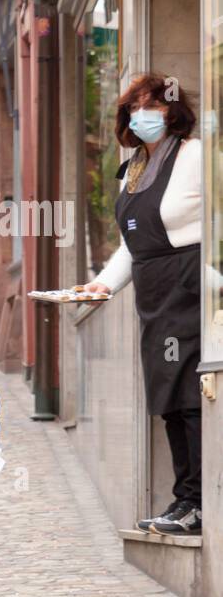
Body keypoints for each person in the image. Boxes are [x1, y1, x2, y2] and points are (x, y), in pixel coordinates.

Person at [75, 73, 203, 535]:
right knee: (169, 398)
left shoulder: (197, 156)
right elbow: (134, 244)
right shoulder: (134, 168)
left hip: (190, 288)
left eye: (153, 105)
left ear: (174, 112)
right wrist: (103, 285)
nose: (142, 115)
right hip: (154, 296)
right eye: (134, 108)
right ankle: (184, 501)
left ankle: (197, 503)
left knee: (190, 398)